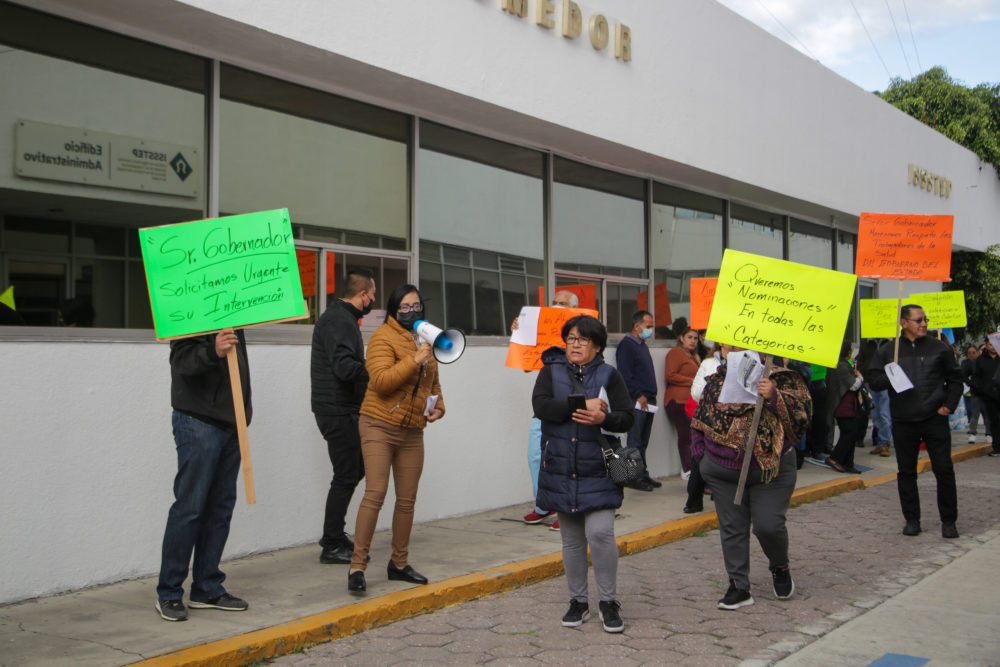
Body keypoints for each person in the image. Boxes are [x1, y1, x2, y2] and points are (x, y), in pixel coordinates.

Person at [533, 315, 634, 633]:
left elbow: (627, 417)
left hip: (598, 468)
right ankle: (578, 602)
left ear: (598, 346)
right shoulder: (550, 371)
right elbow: (541, 407)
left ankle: (608, 601)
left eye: (582, 339)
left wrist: (602, 416)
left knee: (601, 533)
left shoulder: (610, 374)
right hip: (561, 467)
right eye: (570, 339)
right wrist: (578, 406)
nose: (575, 344)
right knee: (572, 541)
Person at [691, 355, 811, 610]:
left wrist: (774, 397)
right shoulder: (716, 380)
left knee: (768, 526)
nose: (733, 349)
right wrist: (703, 457)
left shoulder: (783, 378)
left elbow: (802, 419)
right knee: (732, 528)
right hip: (723, 471)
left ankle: (779, 565)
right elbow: (699, 419)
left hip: (771, 471)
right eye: (728, 344)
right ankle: (738, 586)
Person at [348, 284, 445, 593]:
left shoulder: (425, 339)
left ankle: (399, 564)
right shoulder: (382, 338)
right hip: (378, 424)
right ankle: (357, 567)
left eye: (416, 306)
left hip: (412, 430)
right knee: (375, 493)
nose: (412, 312)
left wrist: (439, 406)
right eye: (404, 307)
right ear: (393, 310)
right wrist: (415, 359)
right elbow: (382, 381)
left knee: (407, 500)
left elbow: (433, 383)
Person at [155, 327, 251, 622]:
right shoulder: (192, 307)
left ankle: (207, 588)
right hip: (198, 421)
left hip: (231, 422)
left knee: (220, 509)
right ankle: (169, 593)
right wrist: (214, 350)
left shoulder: (235, 308)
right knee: (190, 508)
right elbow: (181, 361)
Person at [864, 305, 963, 538]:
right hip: (903, 419)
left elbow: (956, 380)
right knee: (906, 472)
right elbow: (874, 379)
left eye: (925, 319)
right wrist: (891, 374)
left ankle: (949, 521)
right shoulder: (889, 350)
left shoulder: (940, 348)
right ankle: (911, 519)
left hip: (934, 418)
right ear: (903, 322)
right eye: (918, 320)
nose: (923, 324)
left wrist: (947, 406)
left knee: (944, 469)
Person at [311, 268, 377, 564]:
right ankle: (332, 543)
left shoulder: (342, 318)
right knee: (346, 474)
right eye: (372, 295)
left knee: (354, 469)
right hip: (337, 410)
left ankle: (334, 535)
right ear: (363, 295)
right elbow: (343, 367)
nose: (373, 300)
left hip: (341, 408)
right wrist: (376, 370)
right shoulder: (340, 320)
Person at [518, 289, 579, 531]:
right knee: (535, 456)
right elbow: (526, 364)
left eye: (561, 304)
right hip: (545, 407)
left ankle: (566, 510)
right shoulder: (544, 332)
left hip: (571, 407)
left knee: (566, 459)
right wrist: (520, 332)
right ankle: (545, 504)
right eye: (553, 303)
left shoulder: (584, 336)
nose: (555, 307)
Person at [684, 342, 732, 512]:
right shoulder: (709, 363)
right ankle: (694, 499)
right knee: (698, 457)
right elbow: (695, 392)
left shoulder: (744, 362)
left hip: (732, 419)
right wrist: (715, 389)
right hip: (708, 417)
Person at [615, 310, 660, 491]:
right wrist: (637, 394)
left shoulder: (641, 344)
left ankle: (643, 474)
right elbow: (625, 374)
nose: (651, 330)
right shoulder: (627, 346)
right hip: (637, 400)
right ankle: (633, 478)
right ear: (636, 326)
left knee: (643, 440)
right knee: (634, 440)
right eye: (648, 326)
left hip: (649, 399)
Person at [664, 326, 701, 479]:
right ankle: (686, 469)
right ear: (682, 338)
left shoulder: (693, 356)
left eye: (695, 338)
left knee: (692, 436)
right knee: (685, 435)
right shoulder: (676, 353)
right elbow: (670, 375)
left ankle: (691, 467)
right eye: (689, 337)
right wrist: (692, 381)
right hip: (677, 400)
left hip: (690, 402)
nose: (692, 341)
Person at [825, 339, 864, 474]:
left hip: (847, 404)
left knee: (851, 432)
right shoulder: (841, 366)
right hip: (843, 404)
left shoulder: (841, 364)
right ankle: (835, 458)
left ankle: (848, 462)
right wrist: (859, 377)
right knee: (849, 432)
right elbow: (853, 385)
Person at [860, 339, 892, 457]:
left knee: (885, 414)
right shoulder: (866, 341)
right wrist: (865, 378)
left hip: (885, 381)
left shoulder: (891, 342)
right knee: (875, 414)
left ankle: (885, 443)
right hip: (871, 382)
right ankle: (880, 442)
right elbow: (862, 360)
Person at [969, 337, 1000, 457]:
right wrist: (981, 388)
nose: (992, 346)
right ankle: (997, 447)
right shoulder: (980, 360)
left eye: (994, 344)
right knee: (993, 421)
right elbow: (976, 377)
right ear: (986, 345)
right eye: (989, 344)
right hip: (989, 396)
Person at [961, 344, 987, 444]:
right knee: (973, 413)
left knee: (988, 414)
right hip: (975, 392)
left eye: (973, 353)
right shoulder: (966, 363)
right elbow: (963, 375)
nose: (971, 355)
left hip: (987, 392)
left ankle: (989, 434)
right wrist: (971, 383)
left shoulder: (984, 361)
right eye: (969, 353)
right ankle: (972, 433)